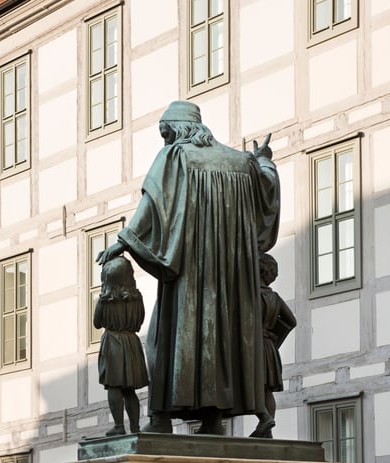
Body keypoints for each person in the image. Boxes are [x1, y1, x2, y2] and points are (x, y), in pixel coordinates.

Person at [98, 100, 280, 435]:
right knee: (221, 344)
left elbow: (152, 203)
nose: (165, 141)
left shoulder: (176, 156)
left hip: (191, 275)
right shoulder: (242, 163)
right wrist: (265, 160)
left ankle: (160, 419)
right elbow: (267, 191)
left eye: (166, 133)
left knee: (163, 340)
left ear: (178, 129)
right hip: (231, 281)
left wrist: (123, 240)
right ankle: (212, 420)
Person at [94, 255, 148, 435]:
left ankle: (119, 426)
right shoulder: (136, 298)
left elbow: (96, 323)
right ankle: (135, 427)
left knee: (114, 387)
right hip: (131, 343)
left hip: (113, 344)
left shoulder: (105, 300)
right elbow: (140, 320)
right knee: (129, 390)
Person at [251, 253, 296, 438]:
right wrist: (275, 337)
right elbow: (291, 321)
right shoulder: (275, 297)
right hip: (269, 346)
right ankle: (267, 431)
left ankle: (264, 419)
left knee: (250, 386)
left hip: (252, 346)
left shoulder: (250, 294)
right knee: (267, 390)